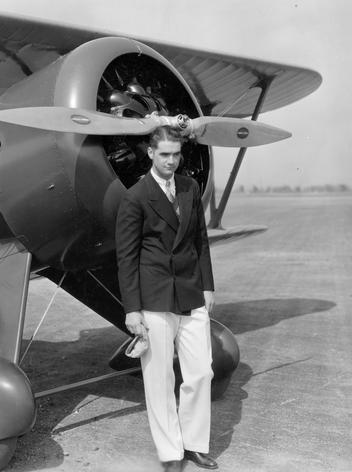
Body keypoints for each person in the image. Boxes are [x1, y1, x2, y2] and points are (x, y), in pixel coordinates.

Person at [115, 126, 218, 472]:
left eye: (176, 154)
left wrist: (207, 287)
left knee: (201, 372)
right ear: (150, 153)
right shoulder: (135, 197)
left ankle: (194, 444)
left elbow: (200, 241)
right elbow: (126, 258)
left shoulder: (190, 187)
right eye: (164, 154)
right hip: (155, 297)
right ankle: (171, 452)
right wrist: (132, 309)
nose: (171, 161)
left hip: (191, 292)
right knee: (159, 379)